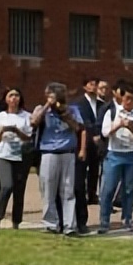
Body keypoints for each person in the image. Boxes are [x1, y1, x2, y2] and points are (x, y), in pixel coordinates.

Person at [31, 82, 84, 235]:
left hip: (67, 152)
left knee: (68, 190)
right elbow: (34, 122)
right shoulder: (41, 109)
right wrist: (48, 105)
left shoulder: (73, 109)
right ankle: (50, 224)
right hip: (48, 152)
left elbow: (77, 128)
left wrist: (65, 115)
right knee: (48, 190)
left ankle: (69, 225)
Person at [98, 81, 133, 233]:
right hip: (114, 154)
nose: (130, 102)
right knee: (109, 188)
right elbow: (105, 133)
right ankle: (104, 221)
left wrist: (131, 127)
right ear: (121, 98)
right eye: (128, 98)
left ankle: (127, 219)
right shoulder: (112, 112)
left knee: (128, 189)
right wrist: (119, 125)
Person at [0, 88, 33, 229]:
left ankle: (16, 222)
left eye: (17, 95)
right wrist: (2, 130)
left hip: (21, 156)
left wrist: (16, 131)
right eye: (11, 95)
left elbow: (28, 138)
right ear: (6, 99)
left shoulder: (26, 116)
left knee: (19, 189)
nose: (14, 98)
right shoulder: (0, 116)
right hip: (3, 155)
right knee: (7, 185)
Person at [73, 76, 103, 206]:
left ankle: (92, 194)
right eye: (91, 84)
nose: (94, 87)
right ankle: (81, 194)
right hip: (84, 140)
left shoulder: (102, 104)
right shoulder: (78, 103)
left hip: (99, 140)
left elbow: (102, 122)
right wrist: (91, 136)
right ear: (85, 87)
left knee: (95, 169)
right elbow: (82, 123)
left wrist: (100, 135)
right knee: (81, 168)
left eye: (96, 84)